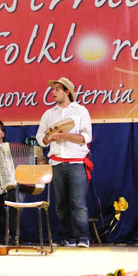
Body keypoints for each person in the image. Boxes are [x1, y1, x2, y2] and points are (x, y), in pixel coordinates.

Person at [36, 77, 93, 248]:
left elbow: (86, 137)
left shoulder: (80, 111)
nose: (53, 92)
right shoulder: (49, 114)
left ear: (67, 91)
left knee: (78, 203)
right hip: (56, 164)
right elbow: (40, 138)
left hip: (76, 162)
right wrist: (48, 137)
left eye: (57, 89)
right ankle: (68, 237)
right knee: (60, 204)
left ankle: (83, 237)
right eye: (53, 89)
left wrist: (64, 135)